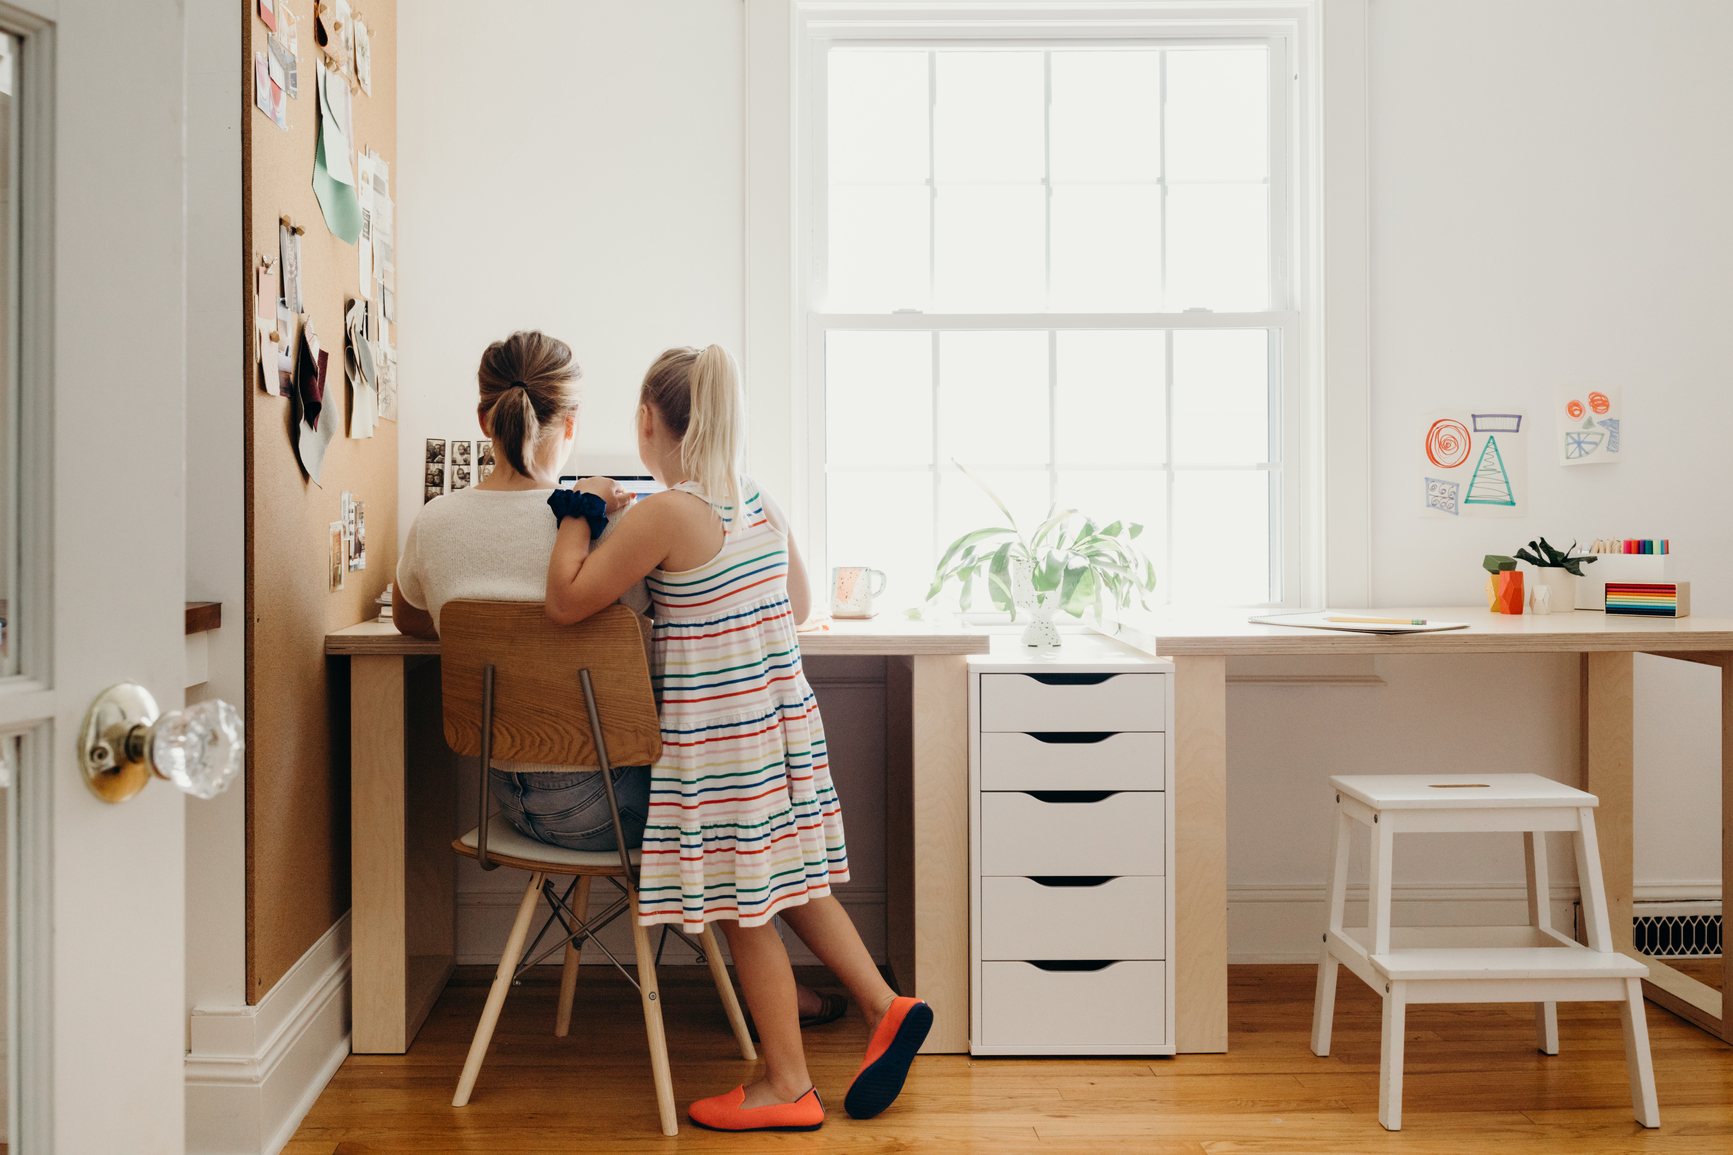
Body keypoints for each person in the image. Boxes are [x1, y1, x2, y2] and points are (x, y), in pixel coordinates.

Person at [545, 344, 931, 1133]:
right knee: (793, 884)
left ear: (648, 422)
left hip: (720, 740)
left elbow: (567, 599)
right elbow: (795, 599)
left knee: (742, 906)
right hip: (780, 727)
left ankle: (785, 1082)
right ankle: (884, 1005)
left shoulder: (663, 513)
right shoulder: (752, 498)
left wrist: (581, 509)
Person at [392, 329, 653, 852]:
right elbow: (650, 621)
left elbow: (411, 619)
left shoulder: (434, 522)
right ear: (571, 425)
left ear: (484, 420)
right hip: (609, 807)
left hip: (505, 803)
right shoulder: (607, 529)